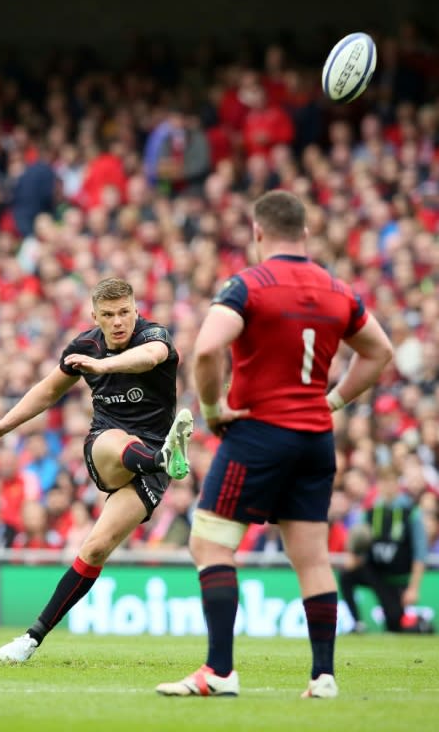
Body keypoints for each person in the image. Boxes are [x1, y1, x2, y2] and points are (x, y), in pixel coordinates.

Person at [156, 189, 393, 699]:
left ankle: (219, 672)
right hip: (315, 439)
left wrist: (215, 410)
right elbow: (379, 351)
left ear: (258, 233)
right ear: (305, 234)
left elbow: (207, 348)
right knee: (311, 556)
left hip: (259, 433)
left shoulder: (249, 285)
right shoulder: (338, 289)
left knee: (210, 541)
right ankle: (323, 676)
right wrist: (334, 401)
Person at [0, 277, 193, 662]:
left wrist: (103, 365)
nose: (119, 321)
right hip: (108, 449)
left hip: (152, 463)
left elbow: (149, 357)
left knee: (96, 547)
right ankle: (163, 458)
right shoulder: (84, 346)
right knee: (114, 439)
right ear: (95, 317)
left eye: (125, 312)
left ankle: (30, 639)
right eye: (108, 315)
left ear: (136, 310)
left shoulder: (154, 335)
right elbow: (49, 390)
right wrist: (3, 425)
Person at [339, 465, 432, 634]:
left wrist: (413, 588)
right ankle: (357, 624)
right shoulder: (370, 511)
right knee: (346, 575)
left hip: (398, 579)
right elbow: (358, 541)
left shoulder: (411, 513)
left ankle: (420, 623)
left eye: (390, 481)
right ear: (378, 484)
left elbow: (420, 553)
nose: (387, 486)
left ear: (397, 484)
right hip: (376, 574)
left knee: (395, 623)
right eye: (383, 482)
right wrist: (354, 554)